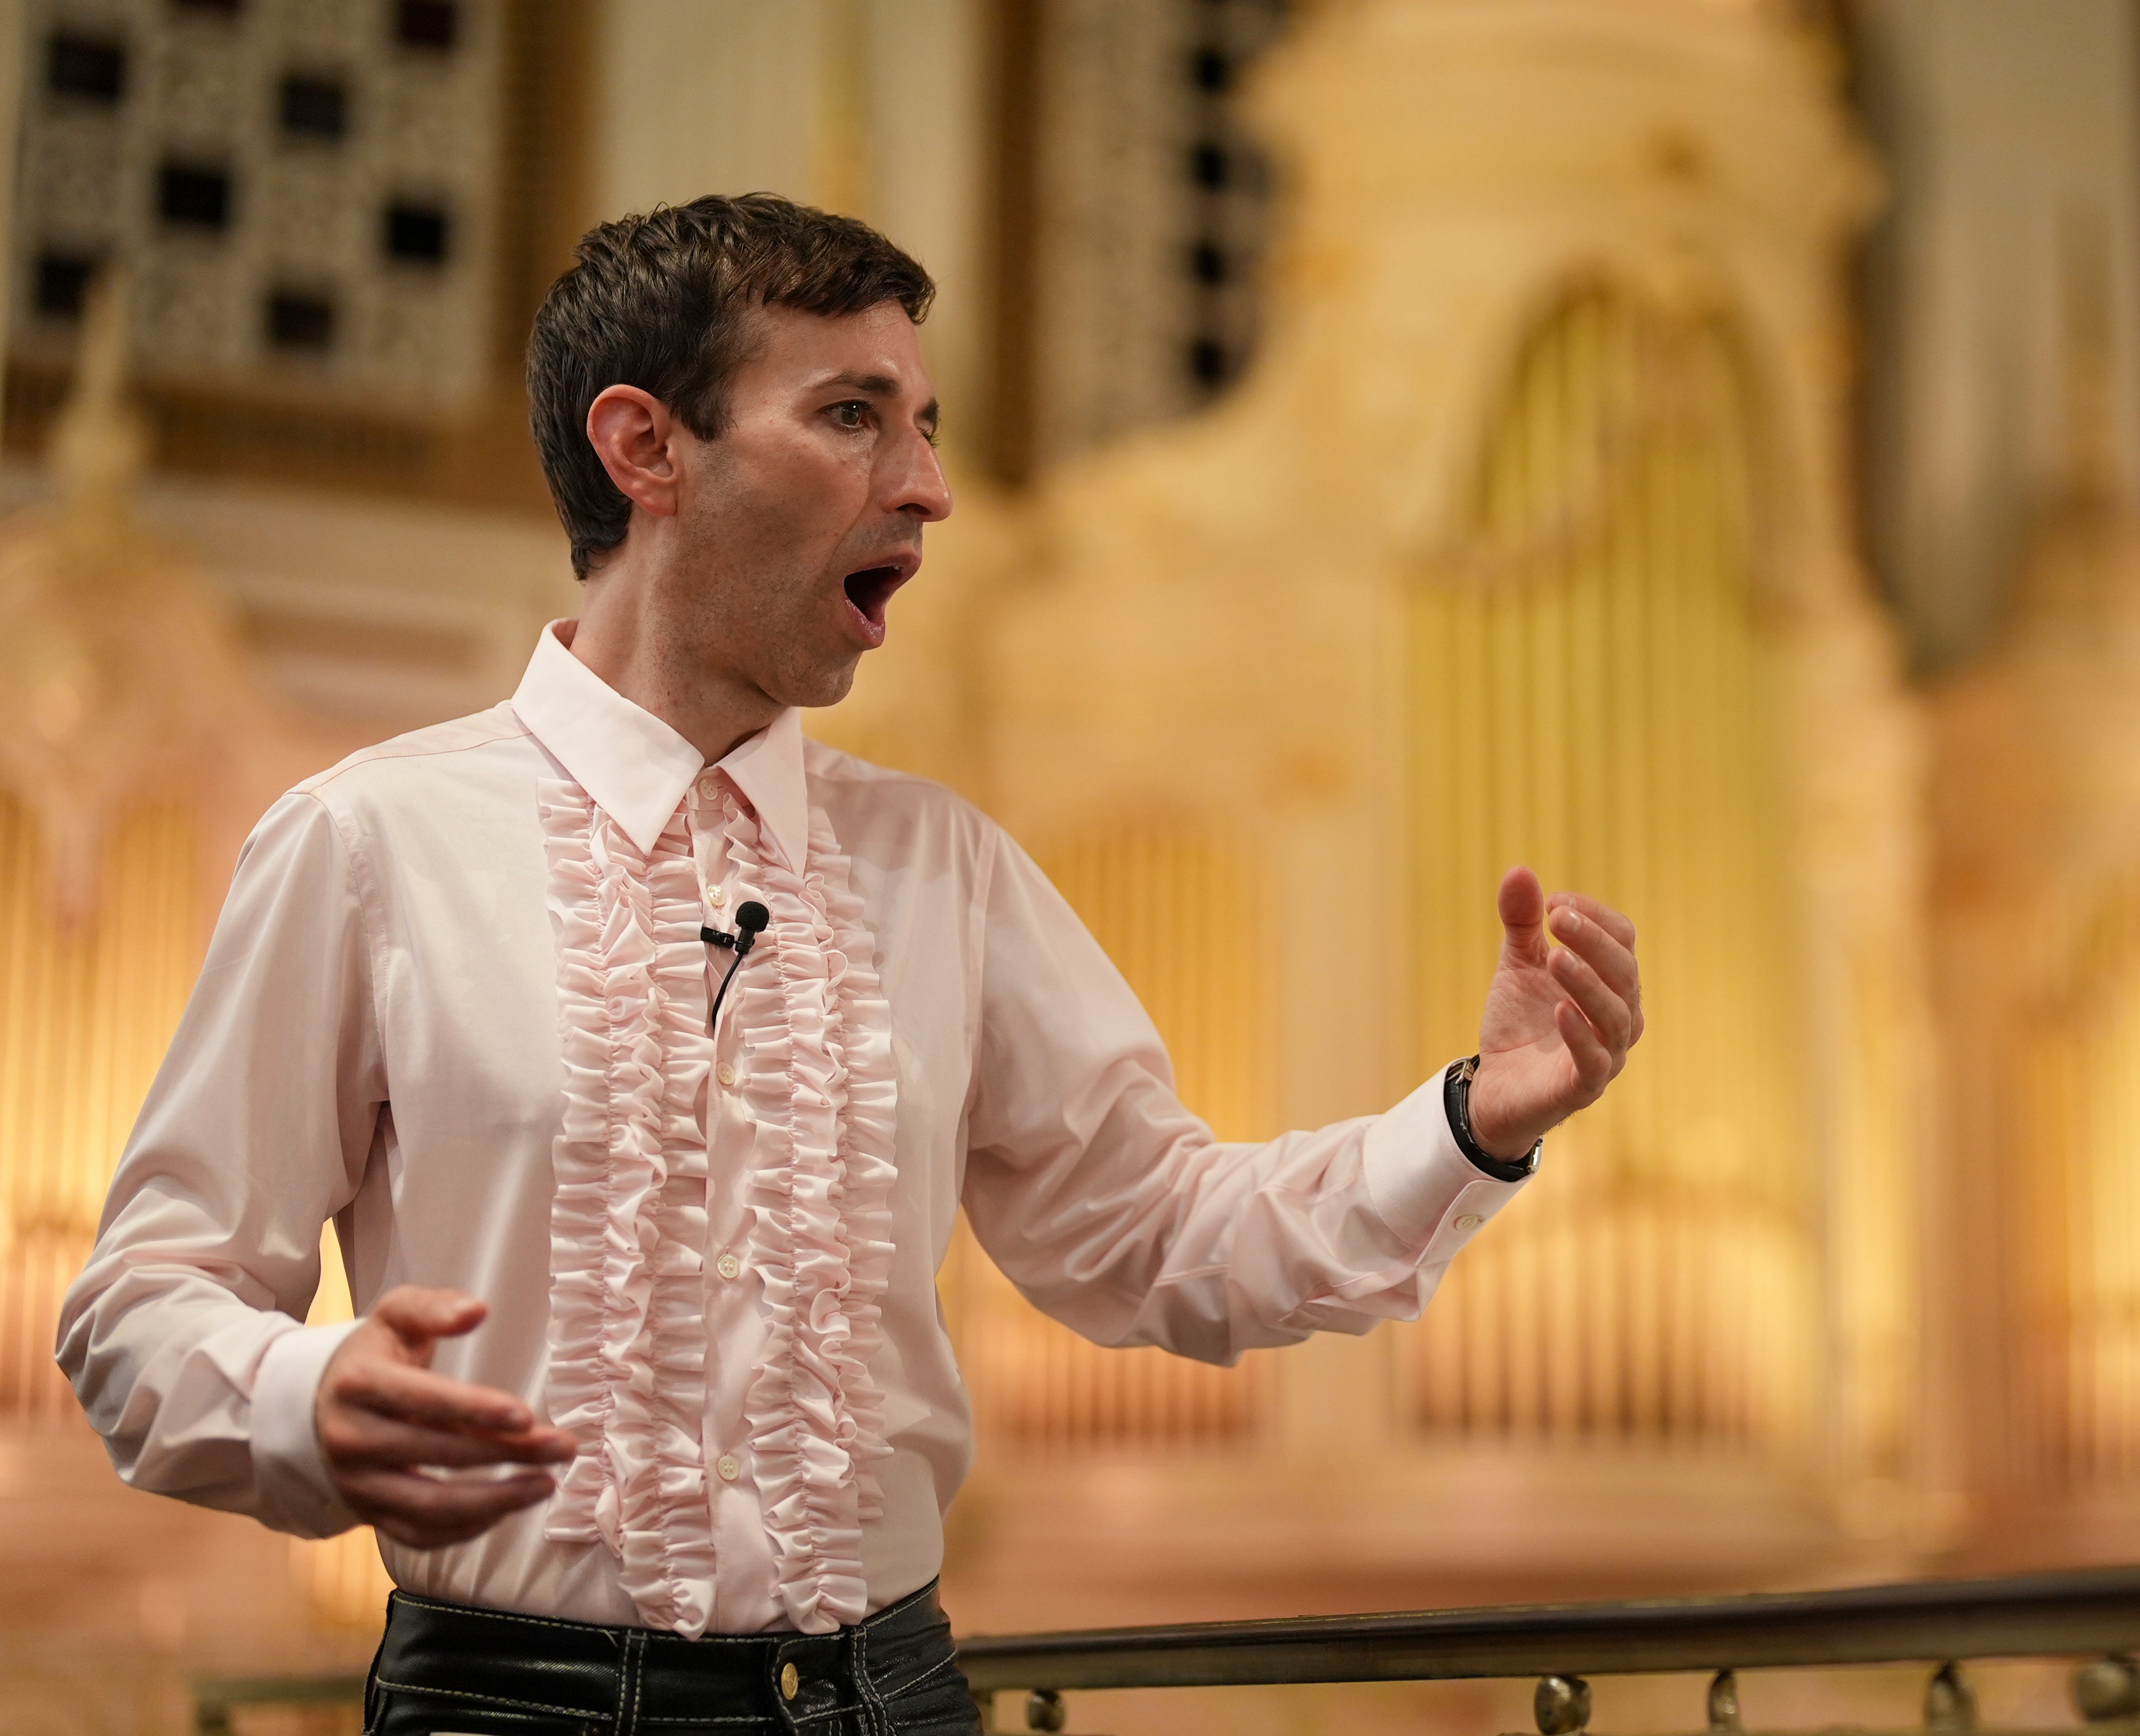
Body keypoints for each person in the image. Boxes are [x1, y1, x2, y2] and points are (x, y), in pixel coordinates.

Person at [57, 194, 1644, 1735]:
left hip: (893, 1700)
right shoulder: (364, 842)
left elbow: (1160, 1237)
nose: (932, 488)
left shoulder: (943, 865)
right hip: (513, 1705)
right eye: (853, 417)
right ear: (646, 447)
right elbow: (142, 1307)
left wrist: (1472, 1118)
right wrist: (301, 1396)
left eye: (929, 423)